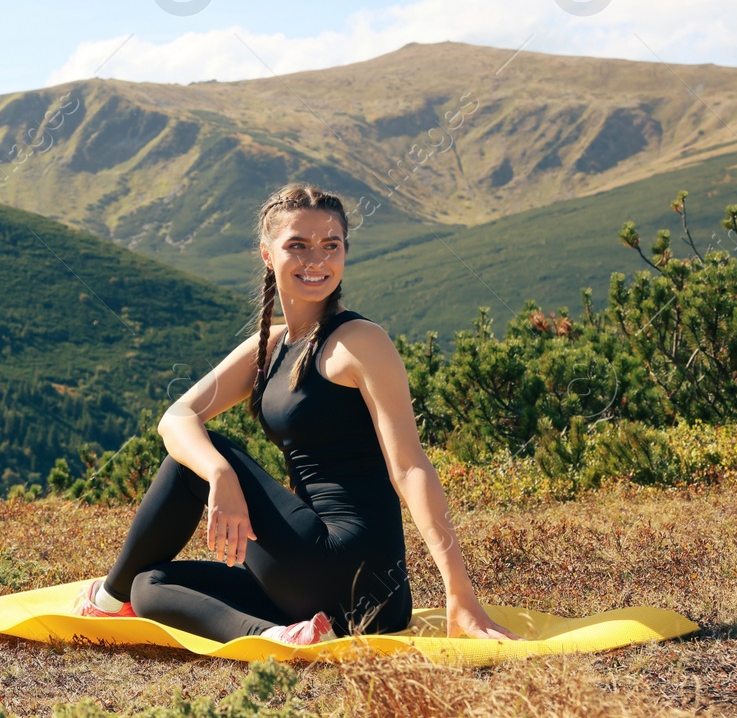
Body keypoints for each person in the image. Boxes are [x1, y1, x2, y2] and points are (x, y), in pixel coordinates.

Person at [71, 183, 517, 646]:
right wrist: (221, 475)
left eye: (331, 246)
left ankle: (106, 600)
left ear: (345, 253)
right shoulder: (271, 346)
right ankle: (282, 636)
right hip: (325, 590)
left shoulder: (360, 341)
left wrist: (460, 594)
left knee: (199, 461)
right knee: (152, 585)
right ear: (267, 254)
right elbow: (177, 417)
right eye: (297, 246)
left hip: (350, 568)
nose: (316, 261)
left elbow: (410, 467)